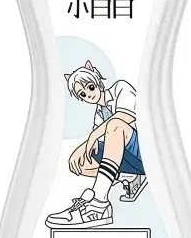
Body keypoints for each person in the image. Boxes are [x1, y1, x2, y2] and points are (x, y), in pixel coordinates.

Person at [45, 61, 144, 229]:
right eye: (82, 94)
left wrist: (93, 135)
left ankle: (99, 203)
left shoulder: (120, 88)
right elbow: (100, 143)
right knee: (81, 160)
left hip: (145, 152)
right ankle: (128, 177)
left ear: (97, 80)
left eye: (90, 87)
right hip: (129, 157)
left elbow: (126, 116)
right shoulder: (99, 113)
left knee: (115, 126)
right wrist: (82, 149)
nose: (89, 95)